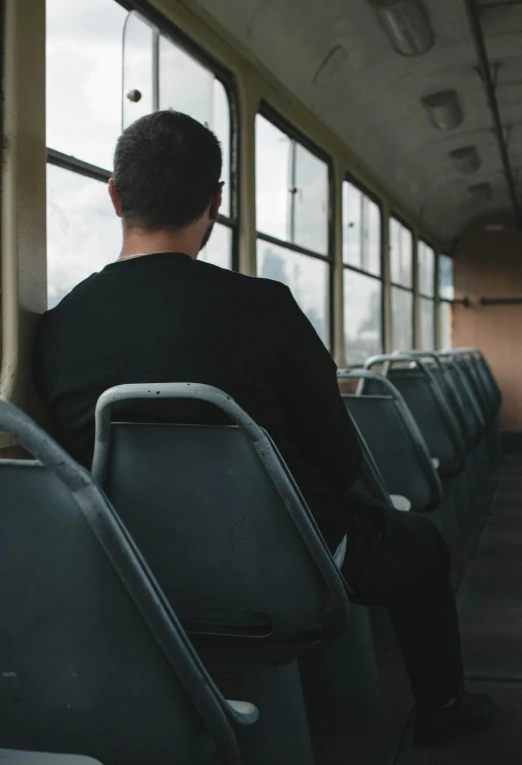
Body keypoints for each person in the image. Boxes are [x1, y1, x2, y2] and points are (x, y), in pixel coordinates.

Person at [33, 110, 493, 748]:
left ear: (114, 195)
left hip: (131, 573)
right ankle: (442, 709)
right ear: (216, 205)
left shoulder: (57, 327)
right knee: (419, 547)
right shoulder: (267, 307)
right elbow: (337, 457)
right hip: (287, 570)